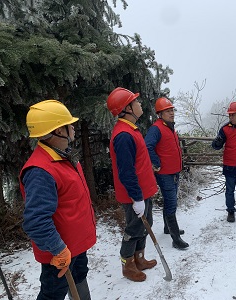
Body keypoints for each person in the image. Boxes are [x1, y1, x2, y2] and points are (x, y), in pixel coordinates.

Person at [19, 100, 96, 300]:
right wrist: (58, 249)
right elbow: (36, 221)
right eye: (67, 124)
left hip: (75, 246)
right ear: (56, 131)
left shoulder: (62, 157)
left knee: (80, 277)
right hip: (60, 254)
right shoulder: (40, 171)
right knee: (53, 293)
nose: (72, 127)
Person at [107, 87, 158, 282]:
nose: (140, 104)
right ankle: (128, 265)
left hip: (144, 191)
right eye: (135, 101)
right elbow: (126, 172)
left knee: (146, 225)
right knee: (134, 229)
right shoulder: (123, 135)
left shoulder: (131, 130)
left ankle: (139, 258)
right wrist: (136, 198)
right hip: (134, 195)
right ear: (127, 108)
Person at [145, 97, 189, 250]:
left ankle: (167, 228)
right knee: (171, 203)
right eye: (168, 111)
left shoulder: (170, 127)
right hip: (165, 174)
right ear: (160, 113)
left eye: (172, 110)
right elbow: (147, 146)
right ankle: (176, 238)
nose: (171, 113)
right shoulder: (156, 128)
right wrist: (156, 163)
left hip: (174, 172)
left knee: (170, 201)